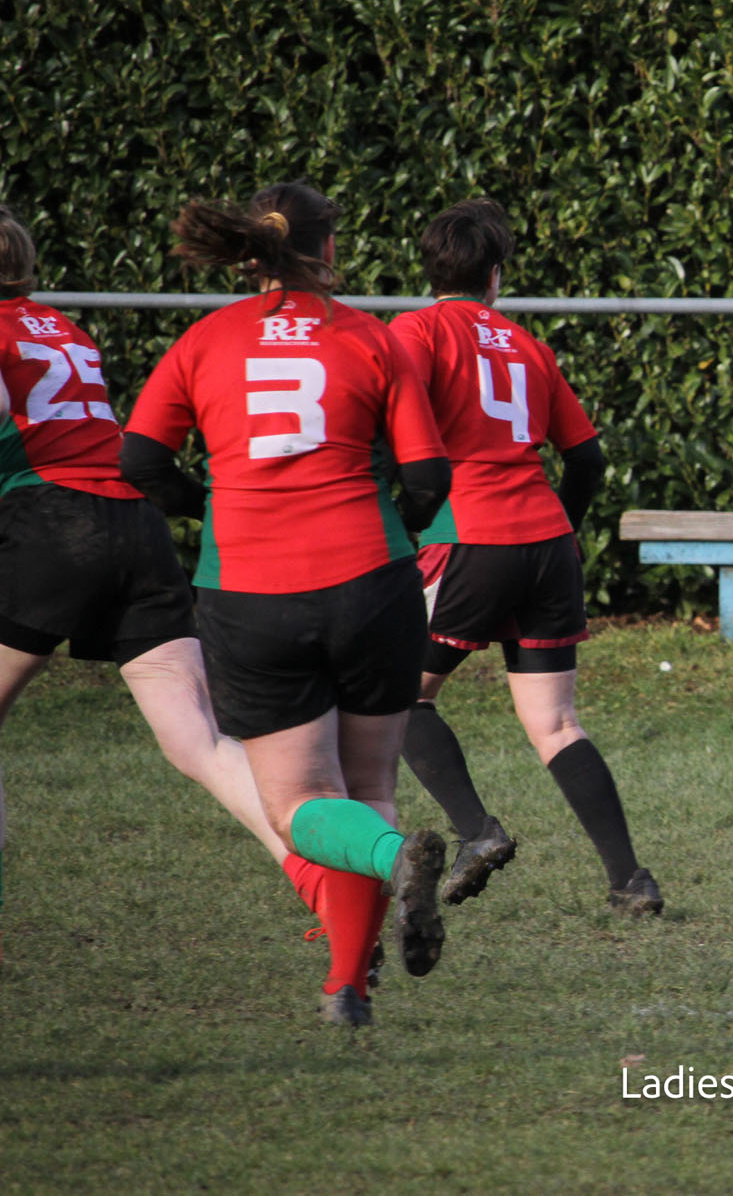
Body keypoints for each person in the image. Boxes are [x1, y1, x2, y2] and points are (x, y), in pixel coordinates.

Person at [120, 182, 453, 1026]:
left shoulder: (205, 339)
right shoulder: (371, 336)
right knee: (368, 784)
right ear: (327, 249)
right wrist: (396, 521)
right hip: (373, 580)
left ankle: (389, 868)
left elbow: (140, 460)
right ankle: (349, 987)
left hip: (252, 591)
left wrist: (211, 504)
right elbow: (428, 477)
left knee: (299, 804)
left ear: (249, 252)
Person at [0, 203, 291, 966]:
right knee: (200, 739)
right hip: (134, 523)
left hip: (52, 521)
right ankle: (320, 878)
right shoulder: (65, 329)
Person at [388, 200, 658, 916]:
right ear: (495, 277)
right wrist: (558, 529)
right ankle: (631, 879)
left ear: (429, 270)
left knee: (398, 695)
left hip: (468, 536)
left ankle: (478, 832)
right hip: (545, 541)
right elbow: (587, 459)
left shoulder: (413, 331)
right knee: (557, 723)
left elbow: (390, 423)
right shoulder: (526, 345)